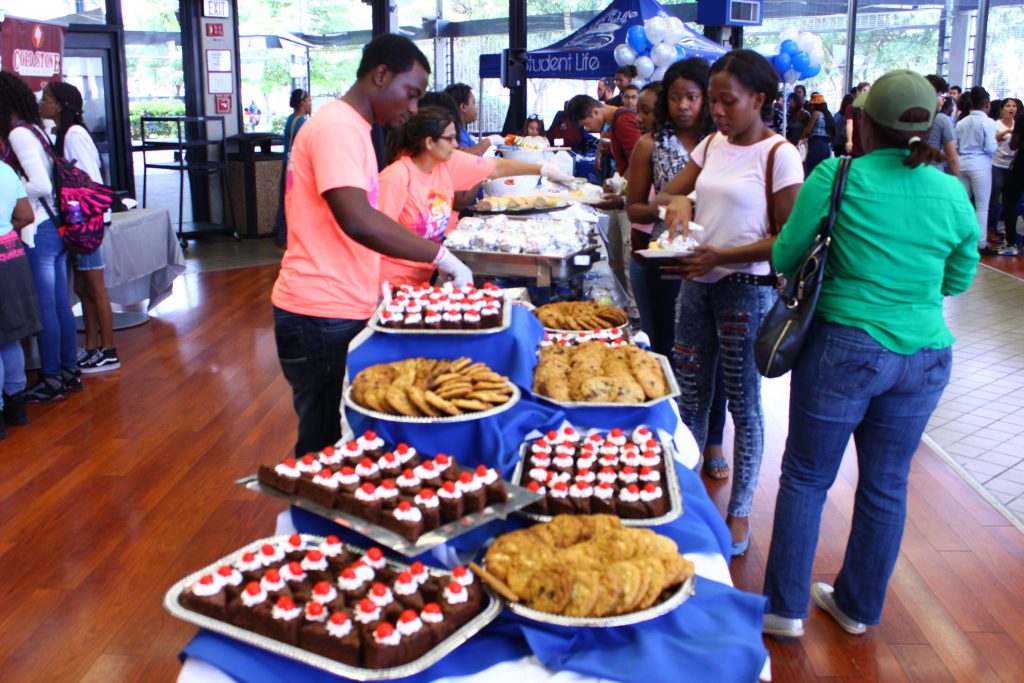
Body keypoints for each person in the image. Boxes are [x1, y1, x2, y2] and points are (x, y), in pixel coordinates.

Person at [761, 69, 978, 639]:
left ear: (863, 121)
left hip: (844, 348)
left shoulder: (838, 174)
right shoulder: (950, 191)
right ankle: (857, 608)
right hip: (926, 355)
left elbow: (785, 257)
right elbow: (959, 277)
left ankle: (784, 610)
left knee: (807, 476)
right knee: (886, 483)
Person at [271, 34, 474, 456]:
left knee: (341, 437)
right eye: (411, 93)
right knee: (325, 442)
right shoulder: (337, 127)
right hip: (320, 310)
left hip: (338, 305)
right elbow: (358, 218)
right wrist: (440, 255)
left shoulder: (355, 129)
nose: (414, 108)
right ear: (381, 75)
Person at [659, 50, 804, 553]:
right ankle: (689, 503)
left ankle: (739, 511)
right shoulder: (712, 144)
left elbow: (788, 241)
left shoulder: (779, 155)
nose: (717, 111)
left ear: (759, 99)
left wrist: (723, 255)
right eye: (713, 101)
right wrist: (681, 200)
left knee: (743, 403)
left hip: (747, 290)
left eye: (728, 101)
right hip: (696, 284)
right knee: (690, 397)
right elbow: (668, 194)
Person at [378, 106, 569, 287]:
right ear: (429, 143)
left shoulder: (445, 163)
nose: (456, 144)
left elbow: (496, 166)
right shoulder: (395, 178)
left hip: (428, 277)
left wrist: (543, 170)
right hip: (392, 283)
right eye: (450, 138)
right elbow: (380, 235)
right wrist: (441, 257)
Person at [0, 72, 79, 402]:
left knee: (46, 308)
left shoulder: (19, 134)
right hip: (54, 225)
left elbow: (41, 185)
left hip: (40, 230)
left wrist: (14, 192)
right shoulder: (36, 130)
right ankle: (67, 371)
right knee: (60, 304)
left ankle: (51, 378)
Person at [39, 81, 120, 374]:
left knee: (95, 287)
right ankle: (92, 346)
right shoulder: (63, 134)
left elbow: (90, 181)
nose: (42, 103)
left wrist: (83, 221)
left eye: (46, 99)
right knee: (82, 286)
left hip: (88, 222)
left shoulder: (74, 135)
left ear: (60, 105)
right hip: (79, 221)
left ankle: (109, 350)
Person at [0, 154, 39, 437]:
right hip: (11, 255)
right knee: (10, 335)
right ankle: (16, 407)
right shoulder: (5, 169)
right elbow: (26, 215)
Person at [955, 85, 997, 253]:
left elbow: (955, 146)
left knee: (963, 204)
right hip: (980, 165)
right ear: (987, 103)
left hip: (962, 163)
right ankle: (980, 243)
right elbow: (990, 148)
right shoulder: (988, 122)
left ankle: (960, 240)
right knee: (982, 206)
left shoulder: (961, 122)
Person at [272, 88, 312, 247]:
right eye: (309, 100)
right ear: (302, 103)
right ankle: (284, 238)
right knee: (293, 202)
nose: (310, 104)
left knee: (285, 200)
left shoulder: (291, 119)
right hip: (296, 169)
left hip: (288, 165)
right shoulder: (301, 123)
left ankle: (281, 236)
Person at [991, 98, 1018, 254]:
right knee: (995, 198)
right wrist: (1007, 132)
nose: (1011, 108)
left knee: (1009, 201)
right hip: (997, 165)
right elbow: (993, 140)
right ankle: (991, 229)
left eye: (1014, 106)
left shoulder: (1018, 124)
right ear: (1002, 109)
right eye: (1008, 106)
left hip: (1013, 166)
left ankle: (1007, 231)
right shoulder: (996, 124)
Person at [443, 83, 501, 156]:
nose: (476, 107)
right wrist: (491, 140)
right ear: (463, 107)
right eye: (473, 103)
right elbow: (464, 157)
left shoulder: (461, 131)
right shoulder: (456, 133)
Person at [924, 75, 960, 177]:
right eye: (941, 95)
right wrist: (957, 183)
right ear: (931, 95)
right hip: (935, 174)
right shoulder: (942, 119)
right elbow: (952, 158)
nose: (944, 100)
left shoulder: (910, 117)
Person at [1002, 106, 1024, 255]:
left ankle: (1011, 242)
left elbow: (1013, 144)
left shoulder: (1022, 118)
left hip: (1021, 166)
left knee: (1010, 201)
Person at [801, 93, 835, 176]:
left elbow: (808, 131)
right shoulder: (828, 115)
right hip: (826, 146)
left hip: (815, 145)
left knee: (812, 172)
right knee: (822, 173)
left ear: (815, 105)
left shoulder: (816, 114)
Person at [845, 81, 871, 157]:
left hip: (868, 145)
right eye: (860, 90)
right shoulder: (851, 107)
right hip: (856, 144)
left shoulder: (872, 108)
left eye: (865, 91)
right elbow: (849, 124)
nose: (862, 93)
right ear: (857, 92)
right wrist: (849, 141)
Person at [832, 93, 854, 158]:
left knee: (839, 162)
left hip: (837, 144)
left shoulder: (837, 115)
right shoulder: (852, 117)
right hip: (848, 144)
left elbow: (834, 128)